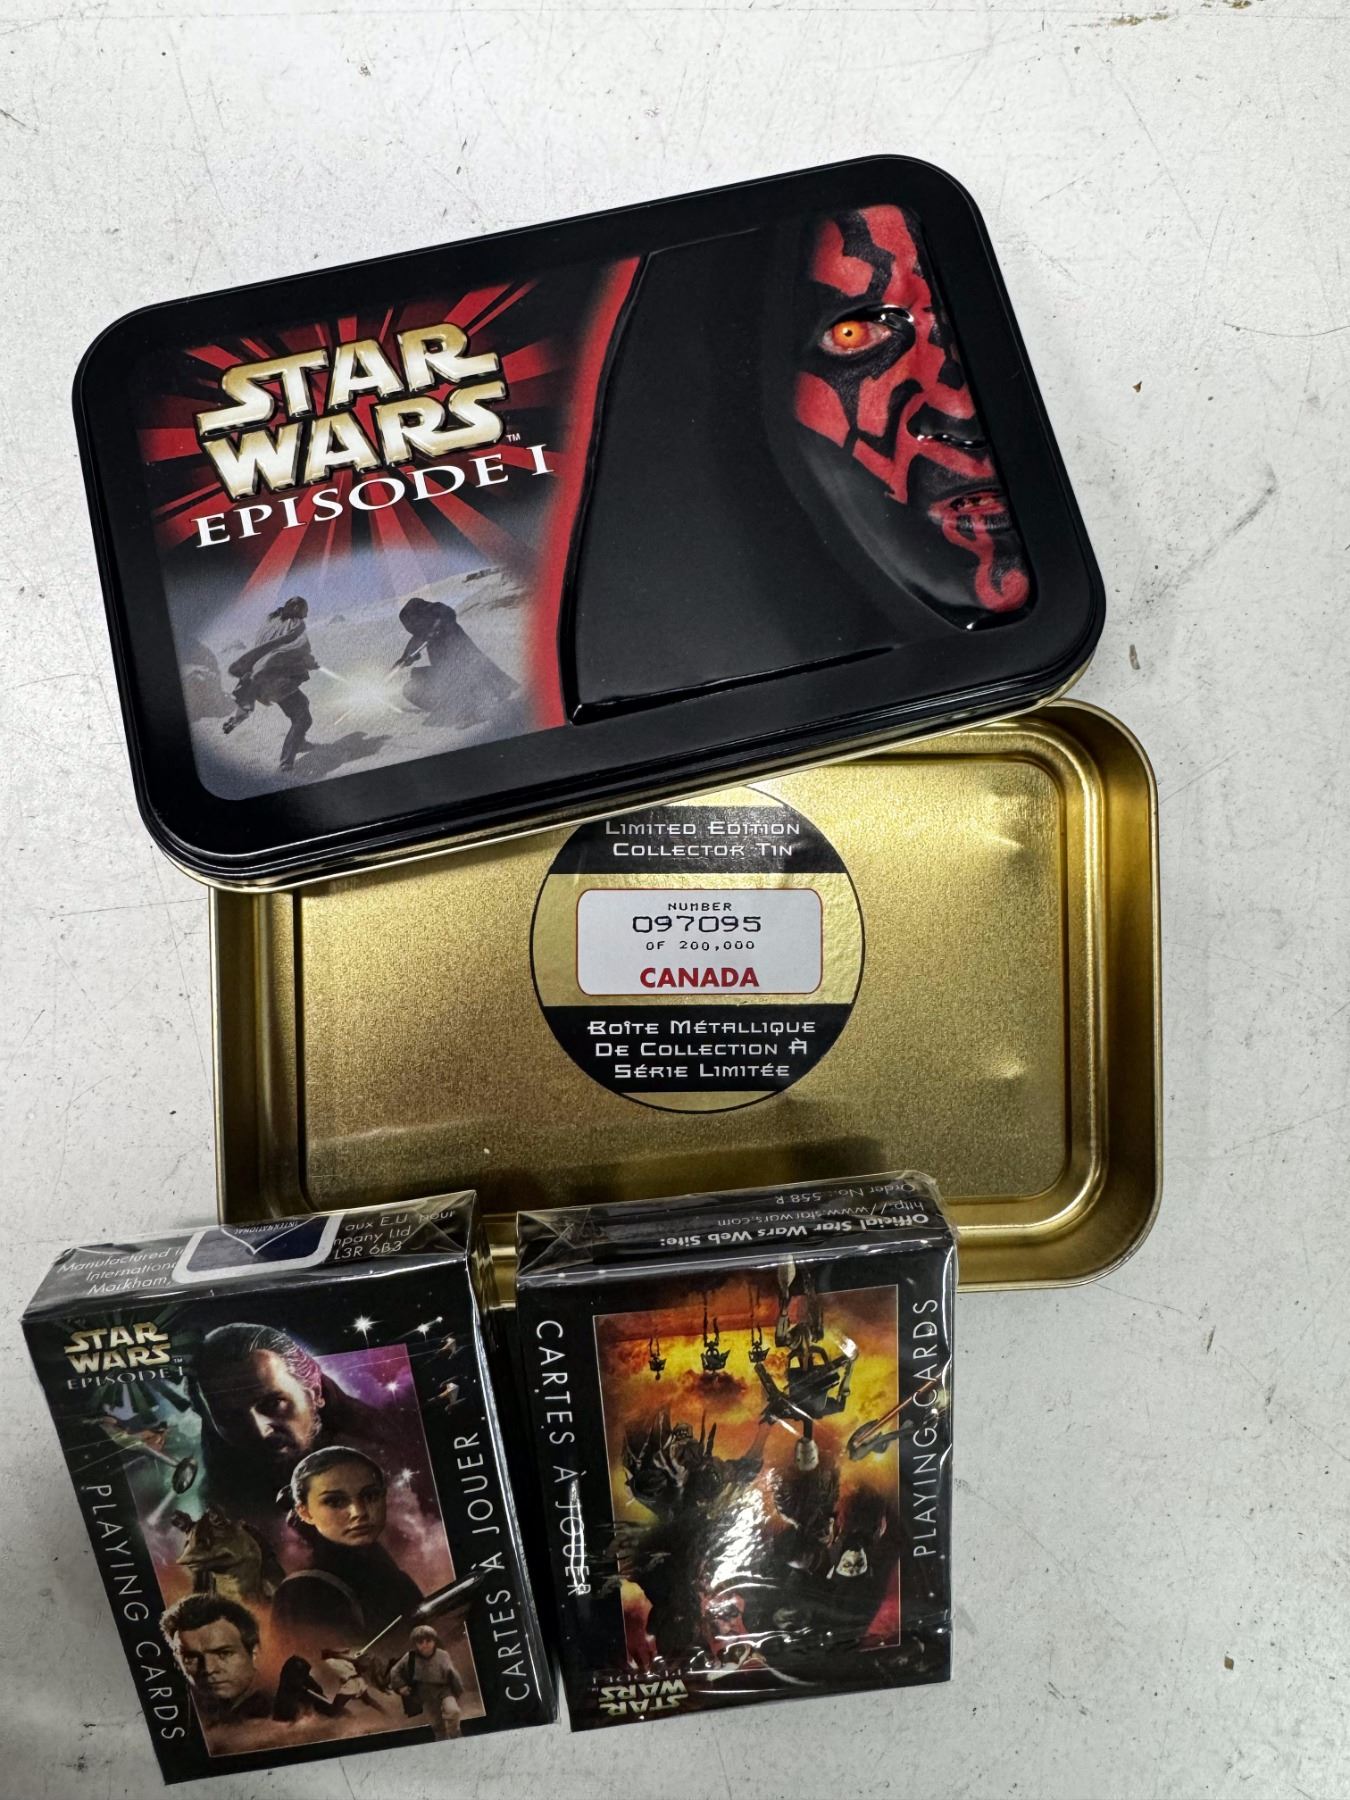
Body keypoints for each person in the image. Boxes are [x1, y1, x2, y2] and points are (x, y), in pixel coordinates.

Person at [187, 1322, 385, 1516]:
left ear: (315, 1392)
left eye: (273, 1404)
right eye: (230, 1416)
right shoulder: (221, 1497)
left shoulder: (384, 1454)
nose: (260, 1431)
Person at [271, 1446, 423, 1646]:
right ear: (304, 1512)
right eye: (335, 1502)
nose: (359, 1512)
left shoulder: (393, 1577)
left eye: (370, 1496)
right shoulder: (303, 1592)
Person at [221, 595, 318, 770]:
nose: (307, 614)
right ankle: (286, 763)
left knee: (303, 703)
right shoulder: (296, 625)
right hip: (276, 681)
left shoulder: (271, 620)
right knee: (303, 719)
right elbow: (297, 648)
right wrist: (310, 662)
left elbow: (274, 647)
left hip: (260, 679)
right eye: (305, 610)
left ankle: (300, 742)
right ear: (297, 609)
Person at [393, 595, 517, 727]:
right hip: (449, 678)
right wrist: (404, 659)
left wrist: (436, 627)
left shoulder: (441, 617)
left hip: (470, 672)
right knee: (412, 685)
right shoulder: (424, 632)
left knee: (463, 683)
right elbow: (414, 645)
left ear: (420, 616)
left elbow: (447, 612)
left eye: (412, 623)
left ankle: (467, 709)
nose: (411, 628)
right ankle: (449, 707)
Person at [160, 1593, 272, 1730]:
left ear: (254, 1652)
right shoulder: (184, 1712)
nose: (209, 1669)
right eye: (191, 1657)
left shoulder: (282, 1711)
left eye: (224, 1653)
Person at [390, 1625, 465, 1738]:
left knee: (453, 1711)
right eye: (420, 1642)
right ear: (416, 1644)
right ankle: (442, 1740)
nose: (425, 1645)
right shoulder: (410, 1657)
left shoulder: (442, 1655)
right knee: (436, 1723)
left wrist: (458, 1689)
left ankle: (455, 1734)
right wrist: (401, 1686)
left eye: (428, 1641)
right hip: (424, 1693)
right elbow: (395, 1671)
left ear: (434, 1641)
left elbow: (452, 1672)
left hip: (444, 1689)